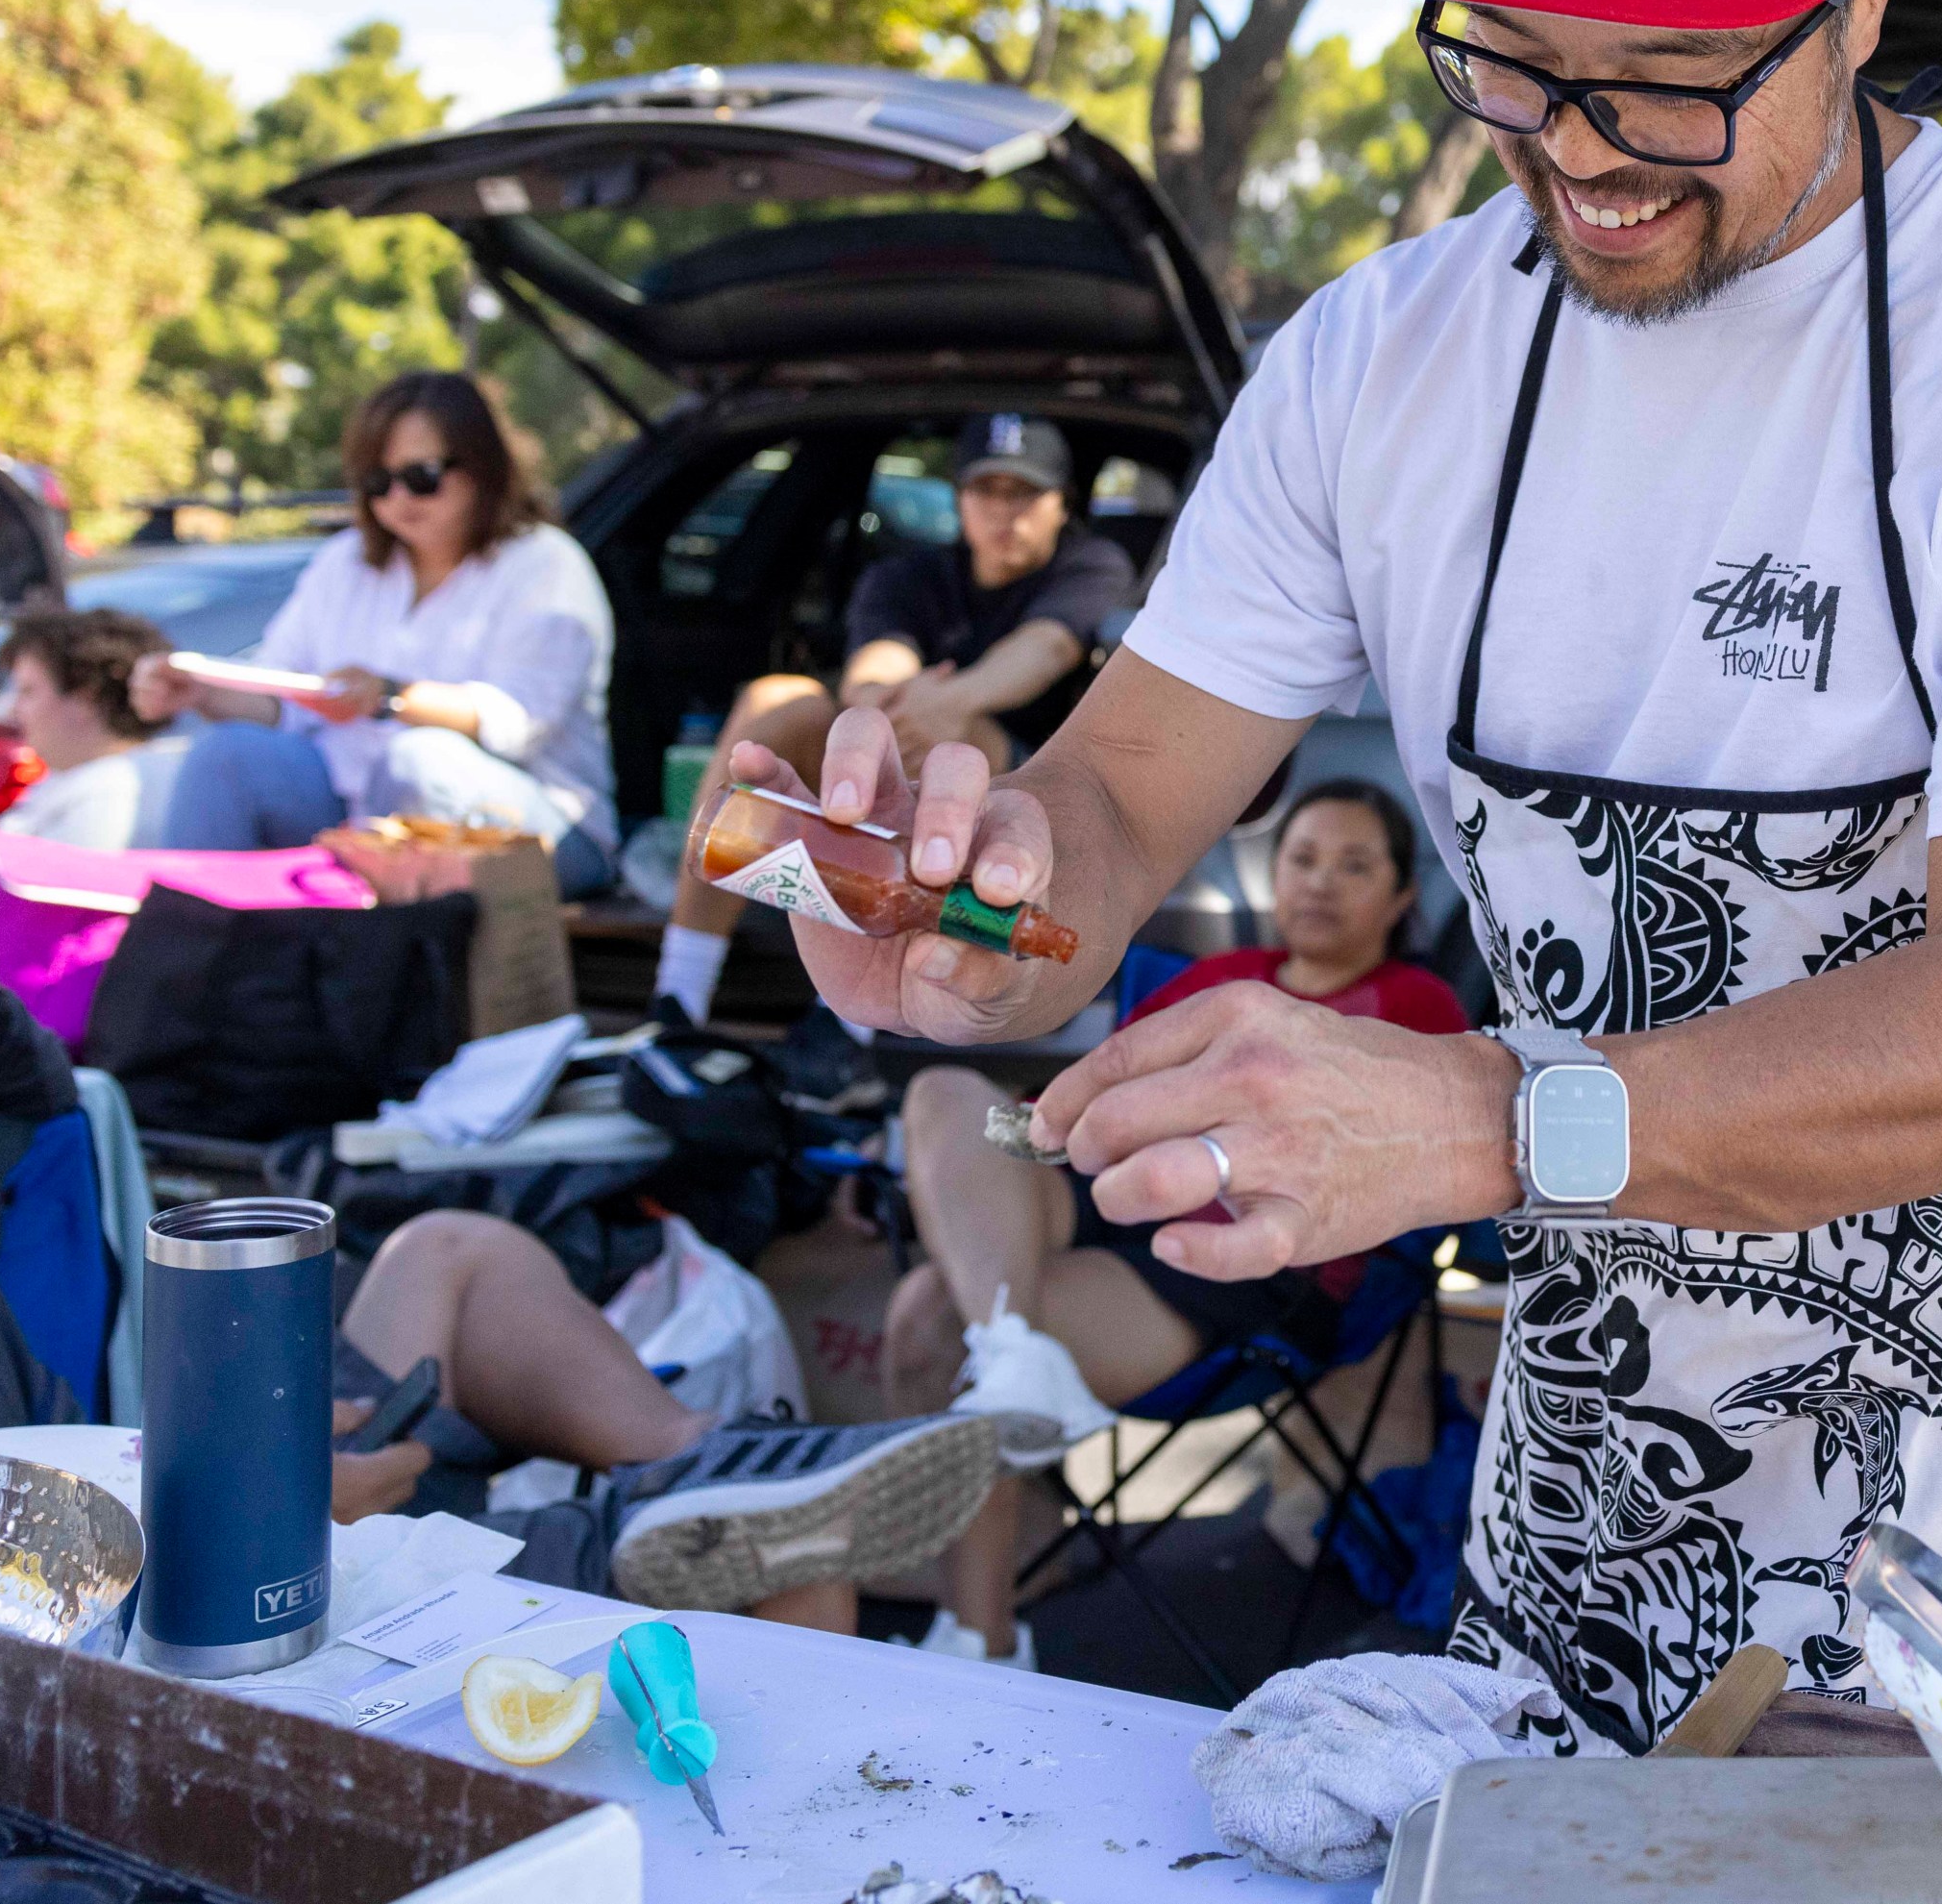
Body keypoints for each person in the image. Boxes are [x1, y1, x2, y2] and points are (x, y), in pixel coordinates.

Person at [747, 0, 1942, 1756]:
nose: (1582, 146)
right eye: (1516, 56)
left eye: (1672, 71)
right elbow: (1109, 810)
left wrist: (1476, 1114)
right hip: (1601, 1401)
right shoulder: (1377, 356)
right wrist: (951, 904)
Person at [0, 891, 997, 1623]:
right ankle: (670, 1514)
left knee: (450, 1252)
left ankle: (690, 1456)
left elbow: (32, 1080)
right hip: (159, 1601)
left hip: (169, 1473)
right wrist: (253, 1501)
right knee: (776, 1560)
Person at [888, 778, 1470, 1666]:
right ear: (1273, 876)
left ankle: (981, 1634)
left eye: (1355, 866)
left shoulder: (1417, 1005)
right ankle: (1012, 1373)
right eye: (1304, 858)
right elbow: (1083, 1103)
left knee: (933, 1316)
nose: (1320, 882)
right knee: (942, 1091)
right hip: (1103, 1191)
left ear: (1399, 897)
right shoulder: (1221, 981)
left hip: (1248, 1260)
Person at [649, 413, 1138, 1026]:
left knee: (952, 744)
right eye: (987, 490)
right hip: (903, 749)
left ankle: (846, 1025)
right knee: (775, 700)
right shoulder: (909, 575)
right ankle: (678, 995)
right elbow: (871, 673)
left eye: (1025, 493)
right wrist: (896, 707)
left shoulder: (1091, 566)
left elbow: (1046, 649)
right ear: (959, 498)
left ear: (1061, 505)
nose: (1003, 512)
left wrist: (948, 703)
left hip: (1023, 785)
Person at [135, 372, 619, 896]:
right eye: (377, 482)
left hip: (539, 825)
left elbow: (521, 722)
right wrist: (202, 693)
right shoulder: (346, 563)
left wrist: (389, 698)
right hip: (354, 809)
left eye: (421, 477)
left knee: (417, 763)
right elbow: (286, 699)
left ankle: (382, 963)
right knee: (226, 756)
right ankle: (188, 953)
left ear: (483, 465)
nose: (397, 499)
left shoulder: (545, 563)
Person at [0, 609, 185, 904]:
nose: (14, 709)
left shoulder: (110, 790)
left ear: (85, 695)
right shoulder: (82, 778)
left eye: (28, 692)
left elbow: (54, 912)